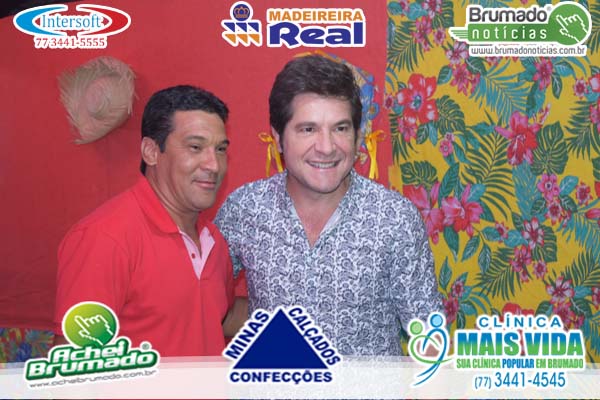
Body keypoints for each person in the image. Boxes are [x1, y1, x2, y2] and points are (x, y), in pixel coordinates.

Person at [215, 55, 443, 356]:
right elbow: (205, 307)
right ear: (278, 139)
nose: (326, 147)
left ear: (357, 136)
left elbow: (429, 339)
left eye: (340, 128)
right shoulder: (245, 209)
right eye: (308, 129)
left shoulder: (394, 218)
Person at [54, 85, 245, 356]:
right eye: (195, 147)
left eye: (220, 149)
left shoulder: (213, 240)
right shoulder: (105, 237)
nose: (214, 165)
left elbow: (216, 318)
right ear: (151, 152)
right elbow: (73, 362)